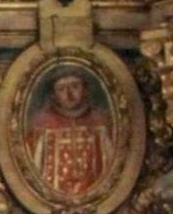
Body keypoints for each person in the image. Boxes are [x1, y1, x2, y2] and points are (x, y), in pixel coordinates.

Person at [25, 67, 113, 203]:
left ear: (85, 89)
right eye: (61, 89)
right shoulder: (41, 126)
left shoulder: (101, 123)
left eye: (75, 86)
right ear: (54, 95)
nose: (69, 94)